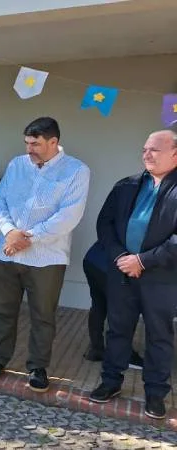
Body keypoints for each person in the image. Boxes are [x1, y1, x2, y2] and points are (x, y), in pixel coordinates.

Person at [0, 117, 90, 393]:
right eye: (27, 143)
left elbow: (69, 215)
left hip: (47, 258)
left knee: (43, 315)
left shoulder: (77, 170)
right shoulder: (17, 165)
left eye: (36, 144)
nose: (29, 149)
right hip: (6, 253)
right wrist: (9, 231)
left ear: (54, 142)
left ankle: (38, 367)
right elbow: (0, 202)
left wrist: (28, 238)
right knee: (3, 310)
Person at [88, 130, 177, 420]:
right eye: (144, 149)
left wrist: (143, 260)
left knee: (159, 335)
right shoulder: (127, 185)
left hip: (161, 277)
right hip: (123, 272)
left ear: (175, 154)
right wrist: (120, 257)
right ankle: (111, 381)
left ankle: (155, 393)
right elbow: (105, 223)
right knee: (117, 329)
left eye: (155, 150)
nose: (147, 154)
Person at [82, 241, 143, 368]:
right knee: (125, 309)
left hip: (92, 259)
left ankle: (96, 350)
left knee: (98, 305)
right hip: (110, 266)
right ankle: (125, 354)